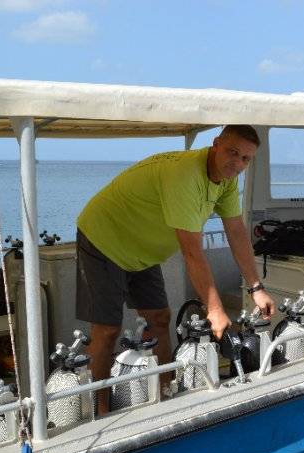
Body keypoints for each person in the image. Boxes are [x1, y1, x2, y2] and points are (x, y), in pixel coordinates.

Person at [75, 125, 275, 414]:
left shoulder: (226, 179)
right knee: (107, 329)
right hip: (105, 237)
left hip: (141, 249)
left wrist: (256, 287)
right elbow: (192, 253)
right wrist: (215, 309)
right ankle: (99, 409)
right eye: (233, 152)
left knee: (160, 317)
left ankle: (166, 392)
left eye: (246, 158)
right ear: (216, 144)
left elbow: (235, 231)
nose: (238, 163)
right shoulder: (186, 176)